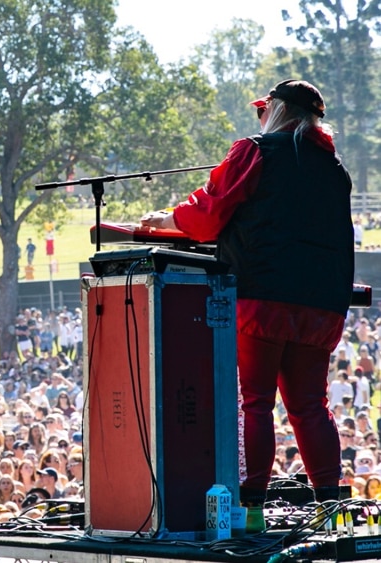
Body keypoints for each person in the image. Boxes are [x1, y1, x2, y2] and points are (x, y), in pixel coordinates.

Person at [140, 79, 353, 506]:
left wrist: (162, 220)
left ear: (275, 109)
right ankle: (330, 507)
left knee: (256, 403)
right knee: (311, 406)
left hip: (263, 297)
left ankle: (251, 508)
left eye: (264, 110)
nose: (259, 117)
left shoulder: (255, 150)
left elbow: (206, 215)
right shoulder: (336, 170)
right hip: (322, 306)